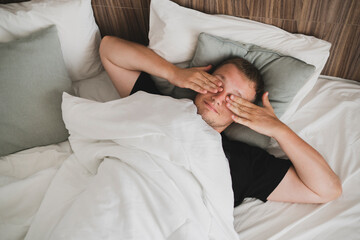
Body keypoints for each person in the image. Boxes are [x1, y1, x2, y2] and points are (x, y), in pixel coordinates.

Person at [99, 36, 342, 207]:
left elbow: (328, 190)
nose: (218, 97)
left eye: (233, 99)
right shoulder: (156, 104)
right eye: (217, 83)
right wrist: (174, 73)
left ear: (246, 112)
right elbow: (109, 48)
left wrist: (279, 130)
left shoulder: (244, 162)